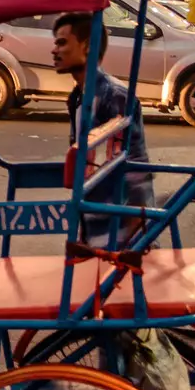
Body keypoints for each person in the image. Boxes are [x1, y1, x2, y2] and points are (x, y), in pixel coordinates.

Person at [49, 12, 154, 239]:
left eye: (62, 42)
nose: (54, 50)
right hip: (94, 219)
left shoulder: (113, 96)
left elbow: (134, 167)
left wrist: (137, 232)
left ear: (87, 46)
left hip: (119, 227)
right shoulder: (78, 96)